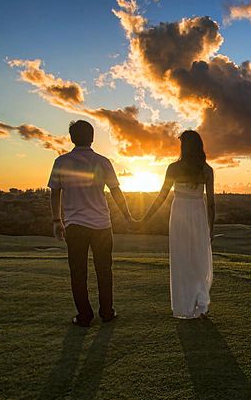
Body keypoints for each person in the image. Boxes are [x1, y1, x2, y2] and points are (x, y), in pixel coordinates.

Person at [48, 120, 136, 327]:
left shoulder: (61, 161)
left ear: (72, 138)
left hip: (75, 225)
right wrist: (128, 216)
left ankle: (84, 316)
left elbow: (55, 193)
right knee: (104, 270)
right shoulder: (103, 161)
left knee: (78, 273)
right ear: (92, 137)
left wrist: (56, 220)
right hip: (102, 225)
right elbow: (116, 192)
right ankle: (107, 312)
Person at [139, 130, 215, 319]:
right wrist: (210, 228)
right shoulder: (206, 170)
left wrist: (144, 219)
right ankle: (198, 302)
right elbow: (211, 204)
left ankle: (187, 304)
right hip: (197, 214)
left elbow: (161, 197)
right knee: (197, 259)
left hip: (180, 212)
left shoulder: (174, 168)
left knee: (182, 259)